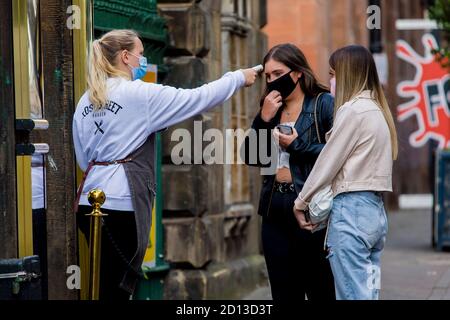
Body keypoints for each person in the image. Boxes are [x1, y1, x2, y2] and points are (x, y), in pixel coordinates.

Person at [72, 29, 258, 300]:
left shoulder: (85, 100)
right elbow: (198, 98)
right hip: (123, 202)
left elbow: (81, 158)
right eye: (140, 54)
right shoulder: (139, 94)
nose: (142, 59)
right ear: (126, 56)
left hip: (89, 201)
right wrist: (237, 78)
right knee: (118, 287)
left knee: (101, 283)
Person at [293, 45, 398, 300]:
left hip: (351, 212)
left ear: (347, 74)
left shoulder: (352, 111)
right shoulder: (378, 110)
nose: (330, 80)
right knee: (368, 293)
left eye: (333, 73)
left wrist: (301, 201)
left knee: (351, 295)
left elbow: (327, 162)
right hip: (375, 213)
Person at [243, 43, 335, 301]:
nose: (272, 81)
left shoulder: (323, 105)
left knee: (320, 287)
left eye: (278, 73)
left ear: (297, 73)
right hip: (275, 208)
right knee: (283, 291)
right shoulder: (270, 109)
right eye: (268, 76)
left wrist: (297, 146)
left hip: (310, 206)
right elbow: (252, 157)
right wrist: (262, 119)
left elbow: (338, 153)